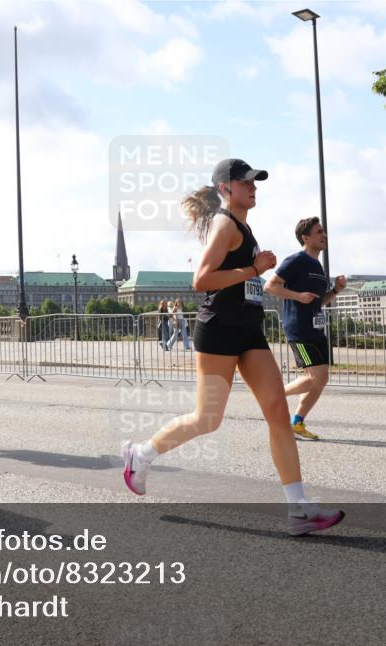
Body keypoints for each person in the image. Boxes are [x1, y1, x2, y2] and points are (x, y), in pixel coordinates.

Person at [121, 158, 344, 536]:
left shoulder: (244, 225)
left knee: (277, 411)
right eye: (247, 182)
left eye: (255, 182)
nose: (254, 187)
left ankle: (298, 507)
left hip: (249, 330)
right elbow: (202, 279)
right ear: (226, 188)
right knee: (207, 419)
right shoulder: (224, 224)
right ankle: (141, 455)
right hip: (220, 329)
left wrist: (255, 272)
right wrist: (254, 269)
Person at [264, 217, 345, 440]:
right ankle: (273, 396)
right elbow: (270, 286)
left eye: (324, 232)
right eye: (319, 232)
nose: (324, 235)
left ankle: (297, 422)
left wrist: (336, 290)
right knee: (316, 377)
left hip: (316, 326)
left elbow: (318, 301)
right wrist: (297, 296)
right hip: (299, 328)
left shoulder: (318, 266)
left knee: (322, 378)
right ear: (305, 238)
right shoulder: (296, 261)